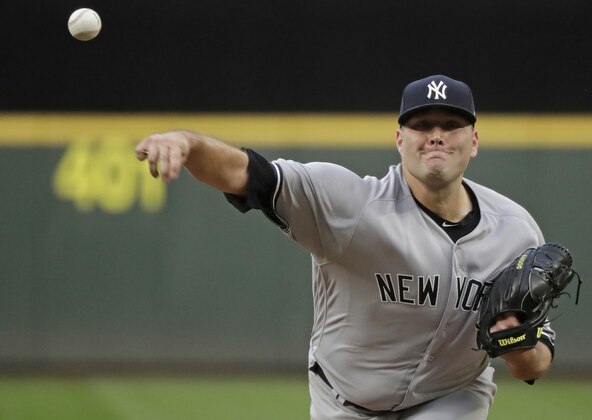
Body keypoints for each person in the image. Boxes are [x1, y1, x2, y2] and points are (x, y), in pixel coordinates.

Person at [135, 75, 555, 419]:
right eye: (422, 125)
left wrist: (518, 347)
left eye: (451, 124)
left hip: (452, 396)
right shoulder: (350, 205)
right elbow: (248, 174)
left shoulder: (515, 232)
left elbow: (535, 362)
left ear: (474, 141)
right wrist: (188, 143)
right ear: (399, 139)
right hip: (346, 401)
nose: (436, 135)